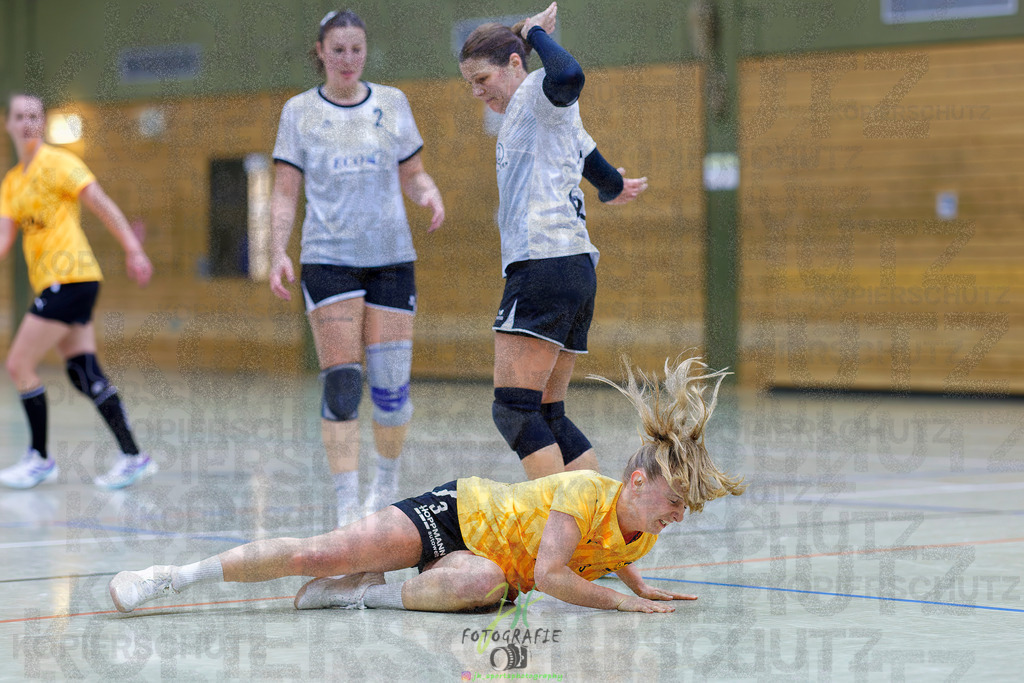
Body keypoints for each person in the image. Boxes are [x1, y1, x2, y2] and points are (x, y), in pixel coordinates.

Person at [108, 354, 745, 615]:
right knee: (320, 552)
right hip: (456, 514)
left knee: (489, 583)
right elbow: (553, 574)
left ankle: (361, 597)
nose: (679, 517)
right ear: (637, 481)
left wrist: (639, 581)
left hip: (486, 566)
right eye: (675, 502)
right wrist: (625, 604)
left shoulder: (645, 529)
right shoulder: (584, 491)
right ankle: (175, 575)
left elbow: (610, 552)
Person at [268, 10, 446, 526]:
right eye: (338, 50)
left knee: (391, 391)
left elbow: (413, 174)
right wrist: (279, 249)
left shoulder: (392, 104)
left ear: (366, 52)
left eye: (357, 49)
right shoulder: (299, 112)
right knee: (343, 384)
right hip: (329, 260)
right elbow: (285, 191)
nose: (348, 59)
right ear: (320, 51)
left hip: (391, 260)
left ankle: (384, 487)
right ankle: (347, 501)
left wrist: (427, 192)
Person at [458, 3, 649, 481]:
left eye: (482, 79)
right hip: (574, 269)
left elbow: (568, 73)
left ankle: (556, 529)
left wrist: (533, 32)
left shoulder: (536, 94)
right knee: (547, 413)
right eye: (470, 85)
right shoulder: (547, 115)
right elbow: (594, 163)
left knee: (515, 411)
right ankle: (594, 538)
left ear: (515, 63)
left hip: (542, 265)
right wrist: (612, 188)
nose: (477, 93)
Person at [0, 92, 155, 490]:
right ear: (9, 124)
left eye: (35, 116)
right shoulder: (12, 182)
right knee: (83, 371)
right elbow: (3, 242)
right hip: (63, 284)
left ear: (43, 122)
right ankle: (133, 456)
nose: (28, 123)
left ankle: (39, 458)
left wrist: (133, 249)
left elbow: (102, 205)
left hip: (70, 278)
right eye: (20, 116)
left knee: (19, 364)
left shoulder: (60, 163)